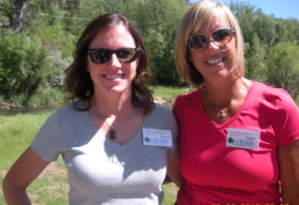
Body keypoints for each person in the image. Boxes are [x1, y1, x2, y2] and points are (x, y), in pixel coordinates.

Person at [2, 13, 181, 204]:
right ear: (86, 63)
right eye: (100, 55)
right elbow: (13, 184)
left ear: (138, 60)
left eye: (125, 54)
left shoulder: (163, 120)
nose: (114, 63)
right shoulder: (64, 122)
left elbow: (188, 181)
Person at [172, 0, 299, 204]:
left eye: (221, 35)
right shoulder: (182, 108)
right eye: (198, 41)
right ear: (188, 53)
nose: (212, 46)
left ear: (236, 40)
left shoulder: (278, 107)